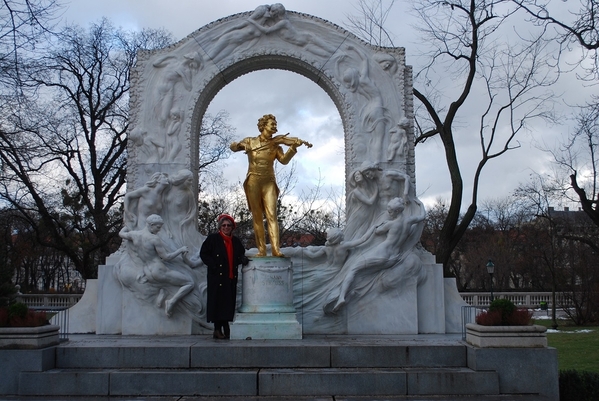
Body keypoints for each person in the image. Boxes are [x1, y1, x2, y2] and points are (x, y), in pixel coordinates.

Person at [230, 114, 311, 257]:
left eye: (275, 124)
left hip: (269, 182)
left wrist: (292, 147)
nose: (275, 126)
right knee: (257, 217)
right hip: (253, 181)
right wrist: (240, 145)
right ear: (263, 126)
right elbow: (233, 147)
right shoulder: (250, 140)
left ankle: (276, 250)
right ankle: (261, 250)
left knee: (272, 215)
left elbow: (284, 161)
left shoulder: (276, 145)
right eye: (272, 124)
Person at [118, 214, 192, 317]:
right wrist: (181, 250)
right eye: (158, 227)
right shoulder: (153, 239)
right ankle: (171, 302)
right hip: (158, 270)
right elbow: (166, 257)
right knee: (189, 283)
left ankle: (162, 292)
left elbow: (121, 233)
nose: (159, 230)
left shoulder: (134, 234)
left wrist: (129, 225)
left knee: (166, 282)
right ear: (151, 225)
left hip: (147, 272)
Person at [199, 214, 248, 339]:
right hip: (217, 277)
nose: (226, 227)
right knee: (218, 302)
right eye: (224, 225)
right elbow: (204, 253)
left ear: (232, 227)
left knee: (227, 303)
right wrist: (213, 265)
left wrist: (242, 260)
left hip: (230, 276)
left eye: (229, 225)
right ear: (220, 227)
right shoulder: (213, 239)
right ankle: (217, 329)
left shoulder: (235, 241)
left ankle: (226, 327)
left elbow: (239, 255)